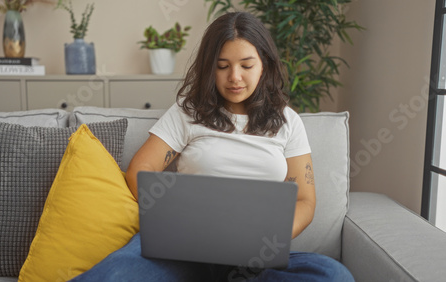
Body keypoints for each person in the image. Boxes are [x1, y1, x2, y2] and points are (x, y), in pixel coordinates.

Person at [70, 12, 354, 282]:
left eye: (246, 65)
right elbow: (140, 171)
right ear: (210, 67)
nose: (234, 77)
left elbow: (305, 200)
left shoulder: (287, 121)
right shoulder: (188, 112)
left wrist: (272, 236)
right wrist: (174, 216)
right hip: (180, 249)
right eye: (222, 66)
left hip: (255, 257)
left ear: (264, 64)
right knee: (113, 277)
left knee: (333, 276)